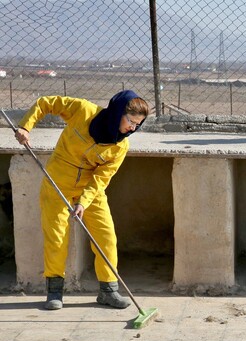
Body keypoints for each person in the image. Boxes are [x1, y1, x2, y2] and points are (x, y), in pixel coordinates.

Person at [14, 90, 149, 310]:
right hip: (58, 182)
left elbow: (101, 178)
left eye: (138, 125)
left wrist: (83, 202)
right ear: (117, 113)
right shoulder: (83, 111)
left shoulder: (120, 146)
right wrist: (25, 126)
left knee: (105, 236)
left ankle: (108, 291)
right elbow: (46, 103)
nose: (133, 129)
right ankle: (54, 292)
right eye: (131, 122)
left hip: (90, 190)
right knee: (56, 237)